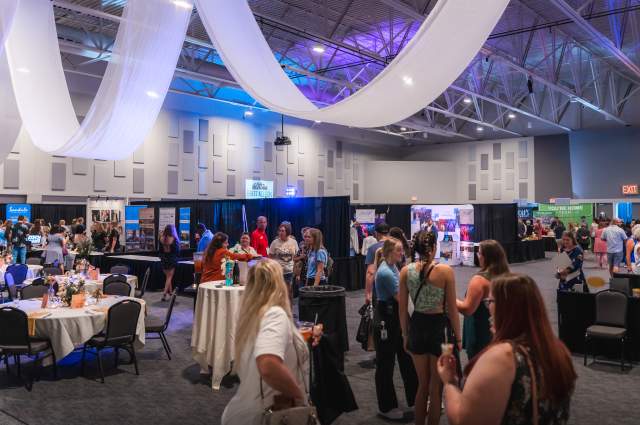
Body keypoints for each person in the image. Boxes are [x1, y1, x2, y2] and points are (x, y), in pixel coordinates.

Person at [437, 274, 576, 425]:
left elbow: (463, 420)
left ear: (505, 307)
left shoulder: (503, 357)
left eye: (489, 301)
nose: (487, 307)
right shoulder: (558, 351)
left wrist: (449, 382)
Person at [221, 260, 310, 425]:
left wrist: (298, 342)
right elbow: (267, 364)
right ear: (278, 284)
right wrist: (299, 396)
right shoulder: (275, 314)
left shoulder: (251, 317)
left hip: (244, 413)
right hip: (267, 415)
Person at [398, 230, 461, 425]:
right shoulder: (445, 272)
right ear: (433, 248)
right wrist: (458, 338)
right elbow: (452, 309)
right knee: (436, 388)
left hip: (417, 326)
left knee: (422, 385)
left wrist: (405, 335)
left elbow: (402, 310)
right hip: (438, 329)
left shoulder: (405, 271)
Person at [373, 239, 417, 420]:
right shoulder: (385, 272)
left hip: (395, 318)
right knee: (385, 364)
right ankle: (386, 407)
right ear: (391, 251)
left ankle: (417, 399)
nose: (402, 253)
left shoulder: (391, 267)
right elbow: (402, 298)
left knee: (406, 358)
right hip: (387, 320)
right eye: (400, 250)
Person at [457, 240, 509, 361]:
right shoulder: (506, 277)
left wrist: (449, 298)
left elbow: (467, 309)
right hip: (499, 331)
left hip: (480, 332)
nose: (478, 256)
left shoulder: (479, 280)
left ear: (487, 257)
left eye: (479, 253)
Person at [269, 222, 299, 295]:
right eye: (279, 230)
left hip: (290, 271)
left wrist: (297, 273)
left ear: (287, 231)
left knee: (289, 293)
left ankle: (289, 306)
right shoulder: (274, 242)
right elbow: (270, 257)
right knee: (278, 293)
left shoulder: (293, 242)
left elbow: (296, 258)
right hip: (278, 272)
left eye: (283, 231)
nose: (280, 232)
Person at [364, 222, 390, 304]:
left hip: (379, 289)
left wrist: (368, 294)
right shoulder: (397, 247)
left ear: (376, 233)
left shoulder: (373, 249)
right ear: (388, 233)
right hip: (396, 288)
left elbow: (370, 272)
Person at [159, 224, 180, 301]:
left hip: (164, 259)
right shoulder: (174, 239)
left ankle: (170, 293)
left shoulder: (161, 238)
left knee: (168, 277)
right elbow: (177, 251)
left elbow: (160, 250)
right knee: (169, 277)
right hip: (171, 259)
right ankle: (164, 293)